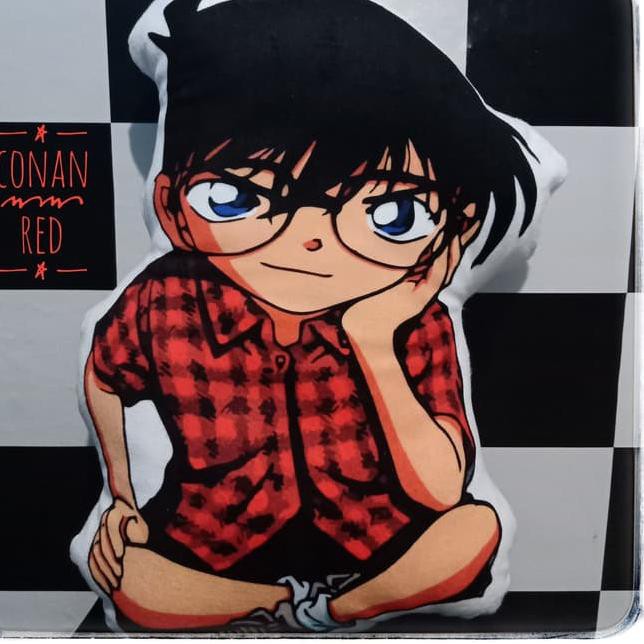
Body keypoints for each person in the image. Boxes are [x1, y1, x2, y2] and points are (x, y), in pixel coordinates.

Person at [83, 0, 540, 632]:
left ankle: (337, 607)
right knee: (133, 576)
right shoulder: (166, 301)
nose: (310, 240)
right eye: (239, 197)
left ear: (452, 230)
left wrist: (374, 342)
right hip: (214, 542)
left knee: (472, 528)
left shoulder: (415, 320)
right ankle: (270, 601)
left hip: (382, 541)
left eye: (391, 213)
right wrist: (123, 497)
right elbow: (105, 377)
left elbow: (440, 491)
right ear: (173, 208)